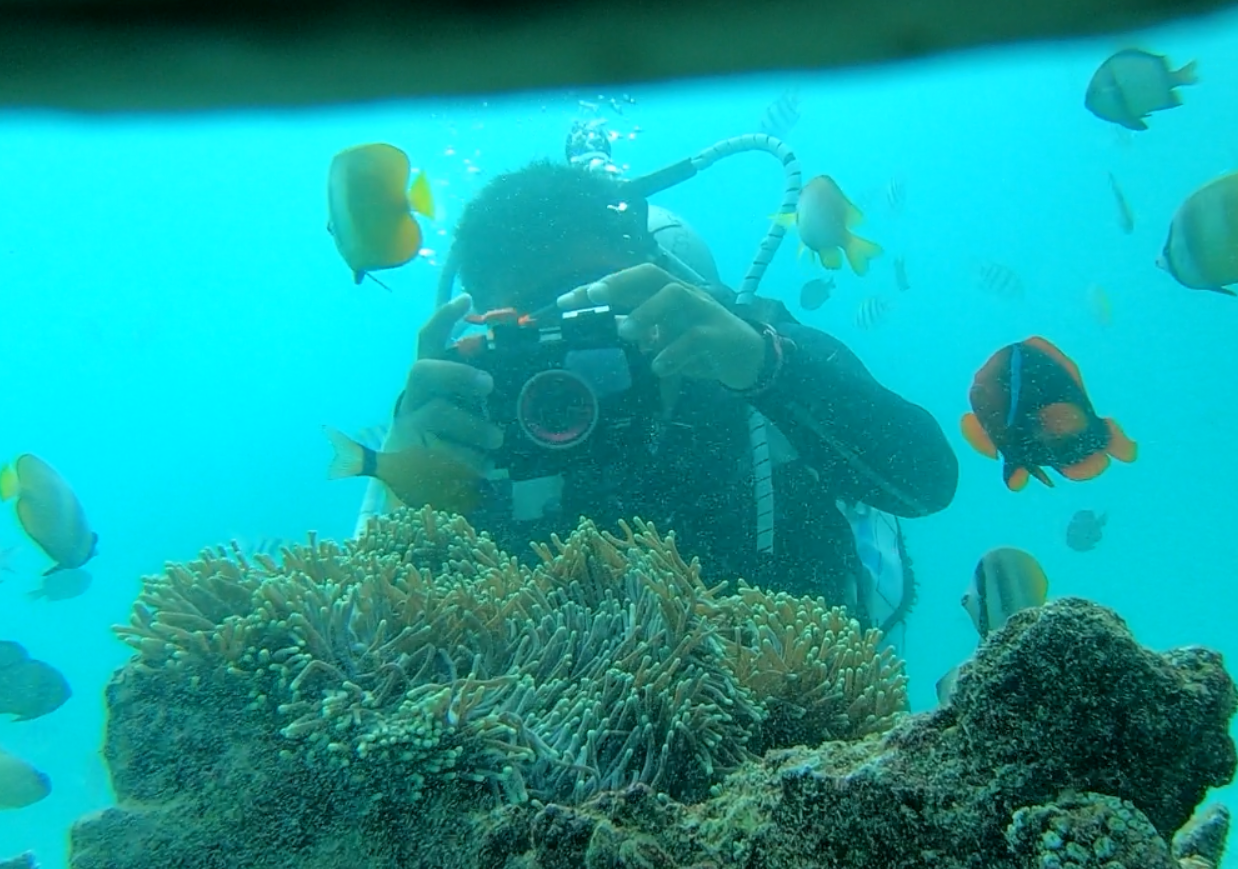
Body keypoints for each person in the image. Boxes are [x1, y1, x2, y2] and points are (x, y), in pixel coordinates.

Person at [380, 161, 956, 617]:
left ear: (656, 274)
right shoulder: (471, 409)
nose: (575, 344)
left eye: (593, 305)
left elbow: (926, 486)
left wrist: (767, 367)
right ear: (488, 329)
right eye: (536, 328)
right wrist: (407, 483)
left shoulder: (745, 344)